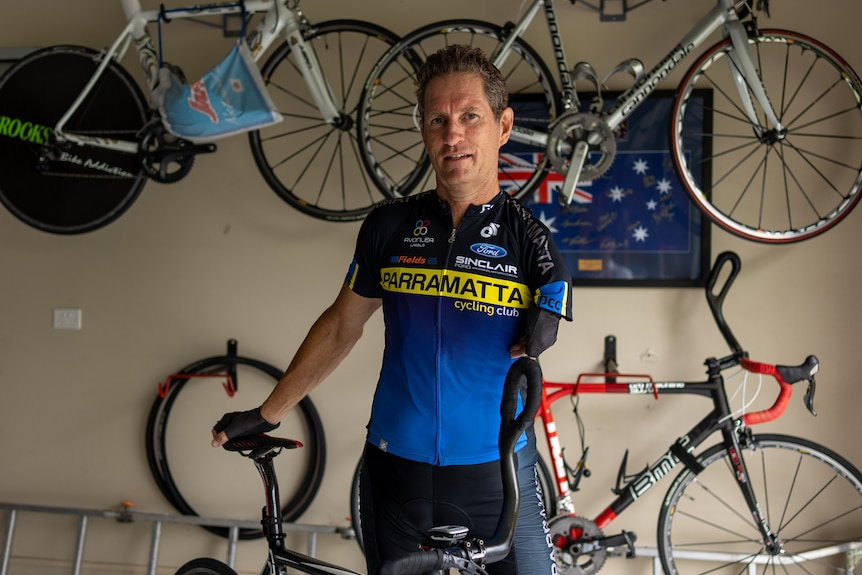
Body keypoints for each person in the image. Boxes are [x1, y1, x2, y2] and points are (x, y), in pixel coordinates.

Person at [211, 44, 572, 575]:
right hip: (392, 474)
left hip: (497, 481)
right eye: (437, 119)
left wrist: (553, 304)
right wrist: (267, 412)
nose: (453, 135)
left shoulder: (528, 239)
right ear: (423, 130)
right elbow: (341, 327)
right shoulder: (389, 227)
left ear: (503, 125)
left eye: (470, 116)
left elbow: (555, 292)